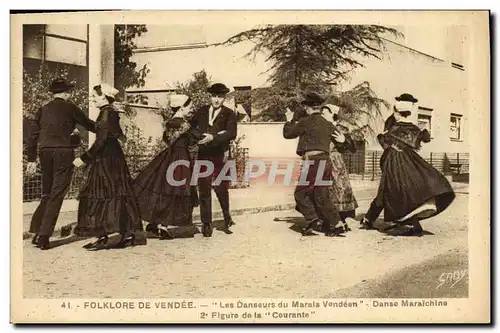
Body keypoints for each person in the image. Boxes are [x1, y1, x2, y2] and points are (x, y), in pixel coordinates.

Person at [362, 93, 455, 235]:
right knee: (404, 189)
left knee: (393, 190)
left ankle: (371, 219)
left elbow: (384, 142)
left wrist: (383, 136)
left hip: (393, 161)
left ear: (398, 111)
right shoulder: (412, 127)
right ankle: (405, 222)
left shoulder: (393, 126)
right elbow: (425, 138)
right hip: (406, 161)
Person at [26, 78, 96, 250]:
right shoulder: (70, 107)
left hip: (45, 152)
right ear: (66, 93)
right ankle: (44, 235)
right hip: (63, 152)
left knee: (47, 192)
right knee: (57, 193)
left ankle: (37, 231)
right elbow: (88, 124)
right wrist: (106, 129)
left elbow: (32, 136)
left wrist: (31, 159)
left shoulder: (43, 109)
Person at [73, 83, 145, 250]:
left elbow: (100, 141)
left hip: (106, 160)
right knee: (116, 194)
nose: (92, 99)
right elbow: (110, 134)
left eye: (95, 96)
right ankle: (126, 234)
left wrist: (84, 158)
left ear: (104, 97)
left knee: (102, 194)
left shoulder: (106, 114)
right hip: (113, 158)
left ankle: (103, 236)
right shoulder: (109, 112)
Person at [134, 94, 202, 239]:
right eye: (189, 106)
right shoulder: (183, 123)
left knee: (162, 190)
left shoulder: (171, 122)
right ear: (182, 107)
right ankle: (163, 226)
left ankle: (154, 223)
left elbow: (167, 139)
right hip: (179, 159)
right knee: (173, 191)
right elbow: (197, 137)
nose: (191, 109)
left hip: (170, 157)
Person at [283, 92, 344, 237]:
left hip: (312, 162)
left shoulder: (305, 121)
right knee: (322, 195)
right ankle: (336, 224)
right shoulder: (327, 123)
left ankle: (313, 220)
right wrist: (343, 140)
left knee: (300, 193)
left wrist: (289, 120)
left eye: (305, 106)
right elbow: (342, 142)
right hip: (325, 161)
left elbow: (288, 134)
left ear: (308, 107)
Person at [191, 83, 237, 237]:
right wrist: (201, 136)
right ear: (210, 96)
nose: (216, 100)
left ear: (224, 98)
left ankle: (226, 215)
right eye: (214, 96)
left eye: (220, 97)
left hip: (220, 154)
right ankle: (206, 223)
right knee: (204, 187)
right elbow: (192, 128)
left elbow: (231, 133)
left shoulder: (229, 114)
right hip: (204, 154)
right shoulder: (201, 111)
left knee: (221, 187)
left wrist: (214, 137)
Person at [321, 103, 358, 232]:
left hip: (336, 163)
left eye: (324, 112)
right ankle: (330, 220)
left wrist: (344, 141)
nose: (322, 114)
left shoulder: (341, 129)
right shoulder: (322, 127)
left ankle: (340, 220)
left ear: (333, 114)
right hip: (323, 160)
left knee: (339, 190)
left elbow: (353, 148)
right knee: (324, 190)